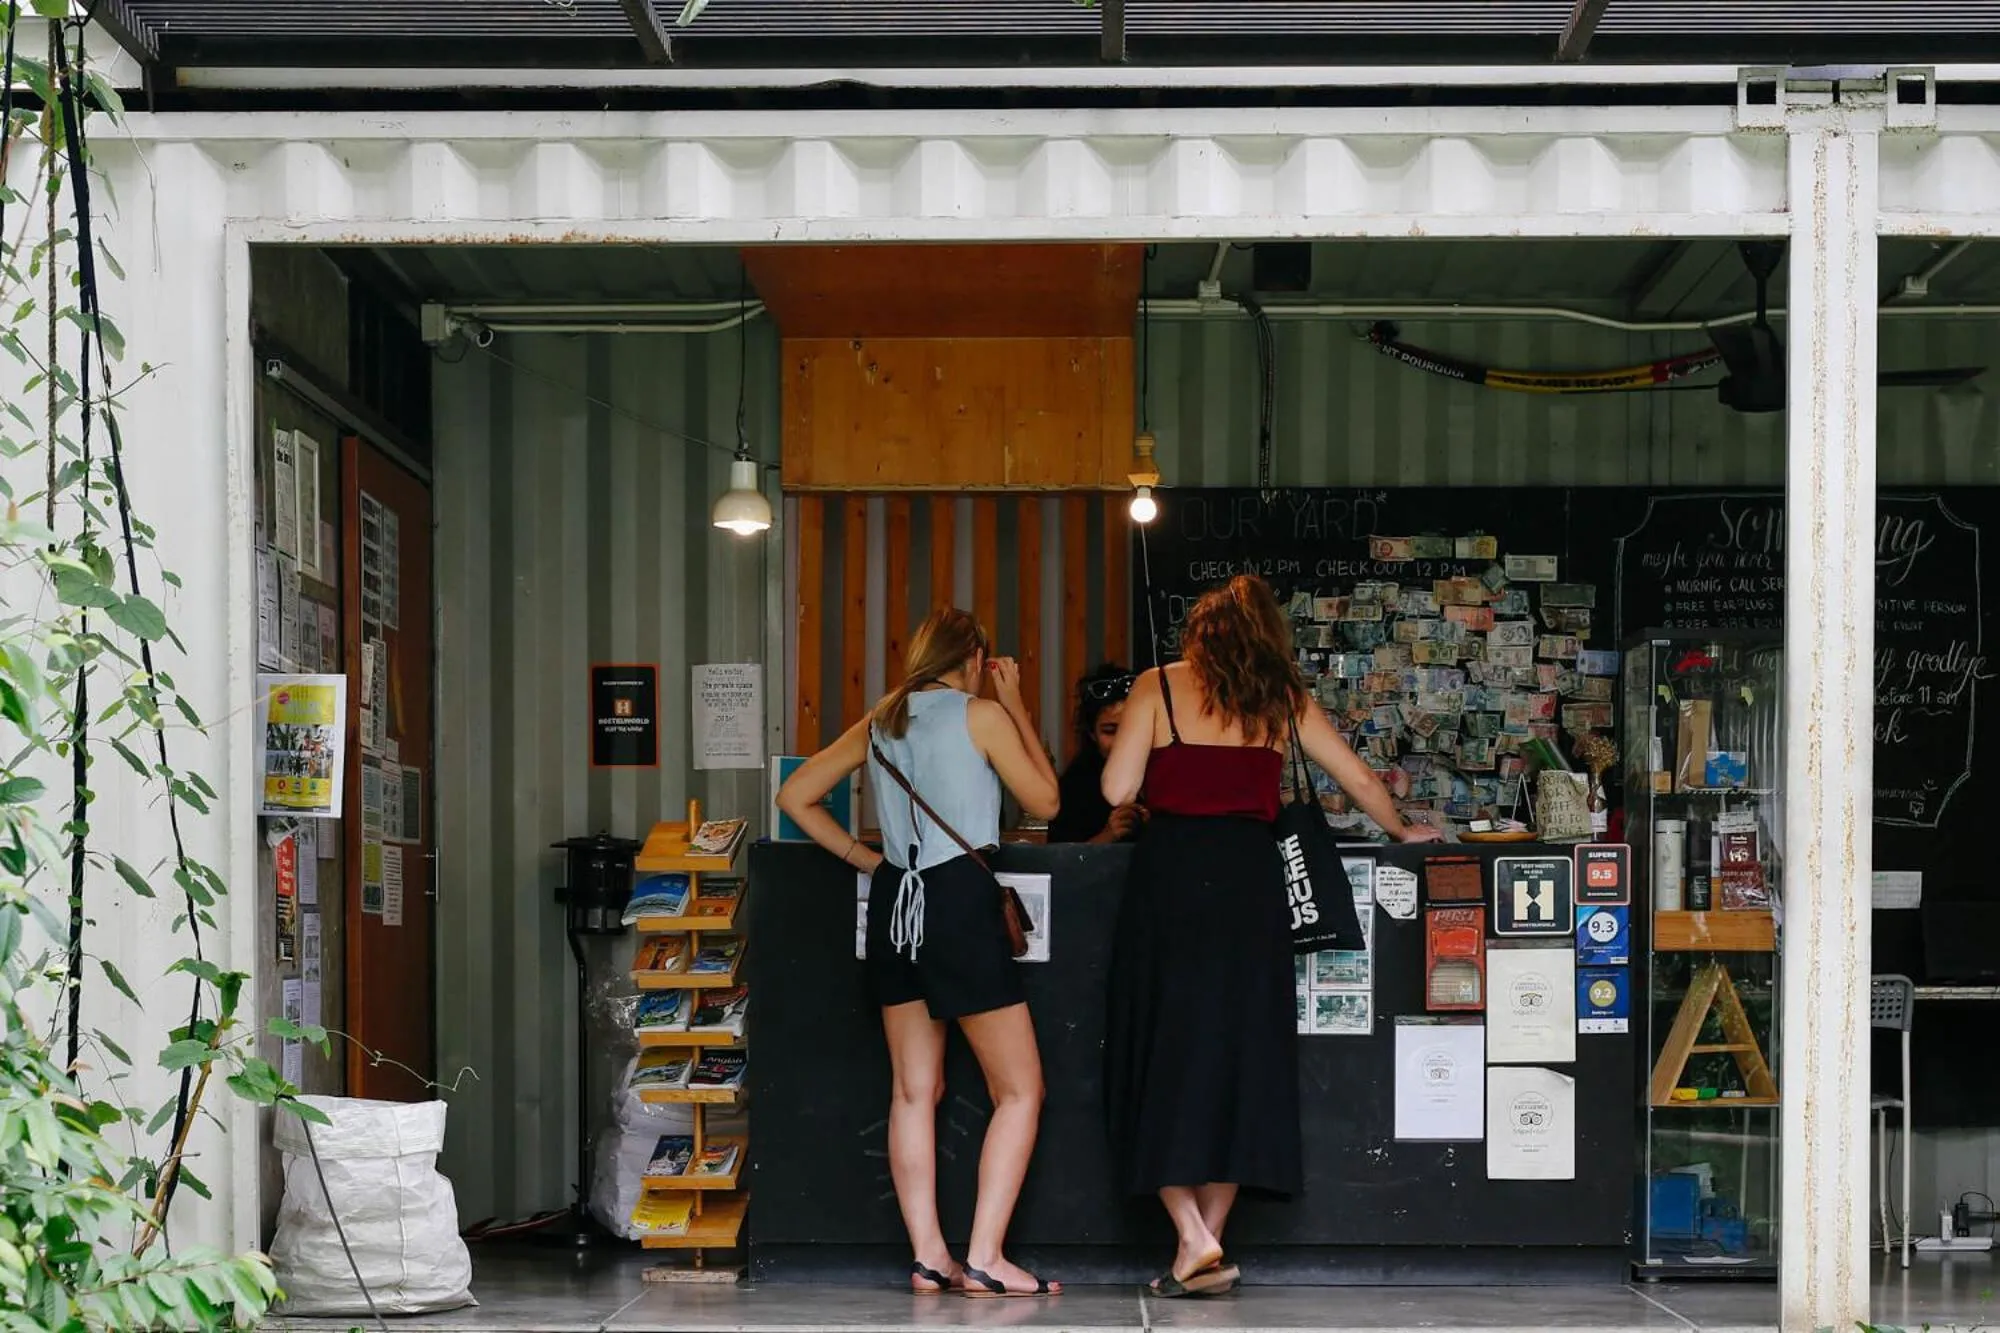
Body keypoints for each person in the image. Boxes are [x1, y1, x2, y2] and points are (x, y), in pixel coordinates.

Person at [1099, 574, 1443, 1297]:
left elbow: (1115, 791)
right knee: (1241, 1057)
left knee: (1157, 1050)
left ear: (1198, 633)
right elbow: (1354, 776)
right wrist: (1402, 829)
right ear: (1266, 637)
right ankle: (1205, 1241)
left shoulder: (1157, 687)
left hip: (1169, 888)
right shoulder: (1279, 699)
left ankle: (1191, 1235)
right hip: (1252, 890)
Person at [776, 608, 1064, 1299]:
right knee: (1021, 1089)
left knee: (913, 1089)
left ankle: (932, 1257)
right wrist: (1018, 706)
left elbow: (796, 794)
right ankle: (988, 1254)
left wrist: (868, 862)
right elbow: (1047, 802)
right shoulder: (980, 714)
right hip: (960, 900)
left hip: (896, 904)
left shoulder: (884, 718)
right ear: (975, 658)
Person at [1045, 663, 1146, 845]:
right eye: (1109, 731)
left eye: (1129, 728)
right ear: (1092, 733)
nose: (1120, 742)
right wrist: (1109, 834)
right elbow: (1062, 862)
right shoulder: (1074, 787)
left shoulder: (1162, 776)